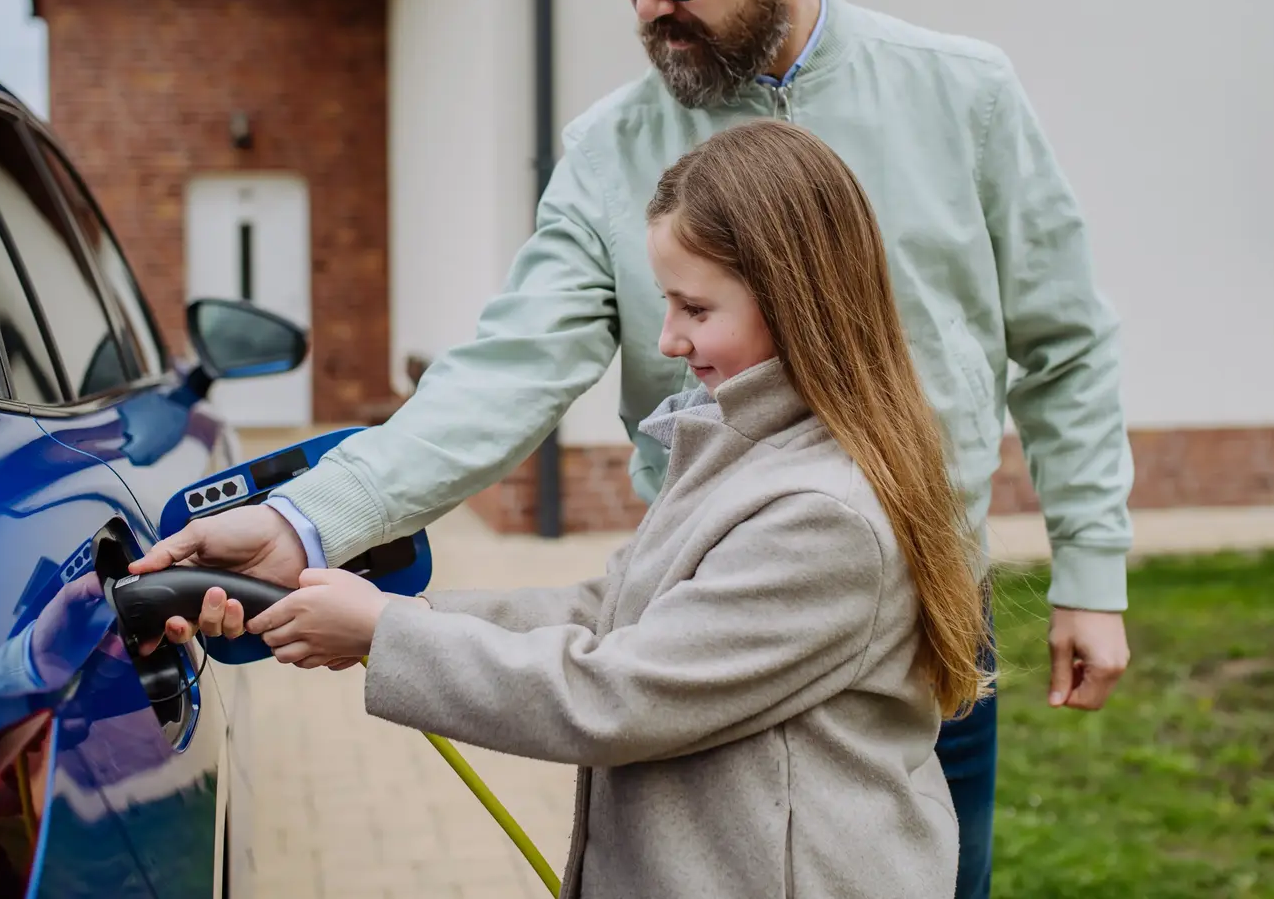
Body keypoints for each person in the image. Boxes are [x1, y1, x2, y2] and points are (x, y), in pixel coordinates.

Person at [130, 0, 1134, 898]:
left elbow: (1063, 343)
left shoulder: (963, 97)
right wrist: (309, 523)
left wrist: (1091, 571)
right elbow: (504, 378)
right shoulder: (609, 152)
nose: (647, 6)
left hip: (924, 624)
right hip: (697, 611)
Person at [269, 120, 992, 897]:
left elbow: (619, 695)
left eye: (696, 309)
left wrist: (388, 635)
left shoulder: (825, 515)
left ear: (796, 299)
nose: (669, 338)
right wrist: (393, 618)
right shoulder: (744, 443)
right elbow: (610, 611)